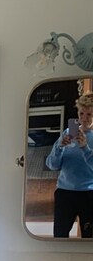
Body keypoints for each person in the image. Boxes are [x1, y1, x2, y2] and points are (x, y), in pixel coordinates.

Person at [45, 92, 93, 237]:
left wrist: (85, 148)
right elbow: (52, 165)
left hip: (89, 194)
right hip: (65, 193)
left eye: (89, 115)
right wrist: (59, 147)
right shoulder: (68, 133)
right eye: (81, 113)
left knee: (89, 240)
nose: (84, 119)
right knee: (59, 236)